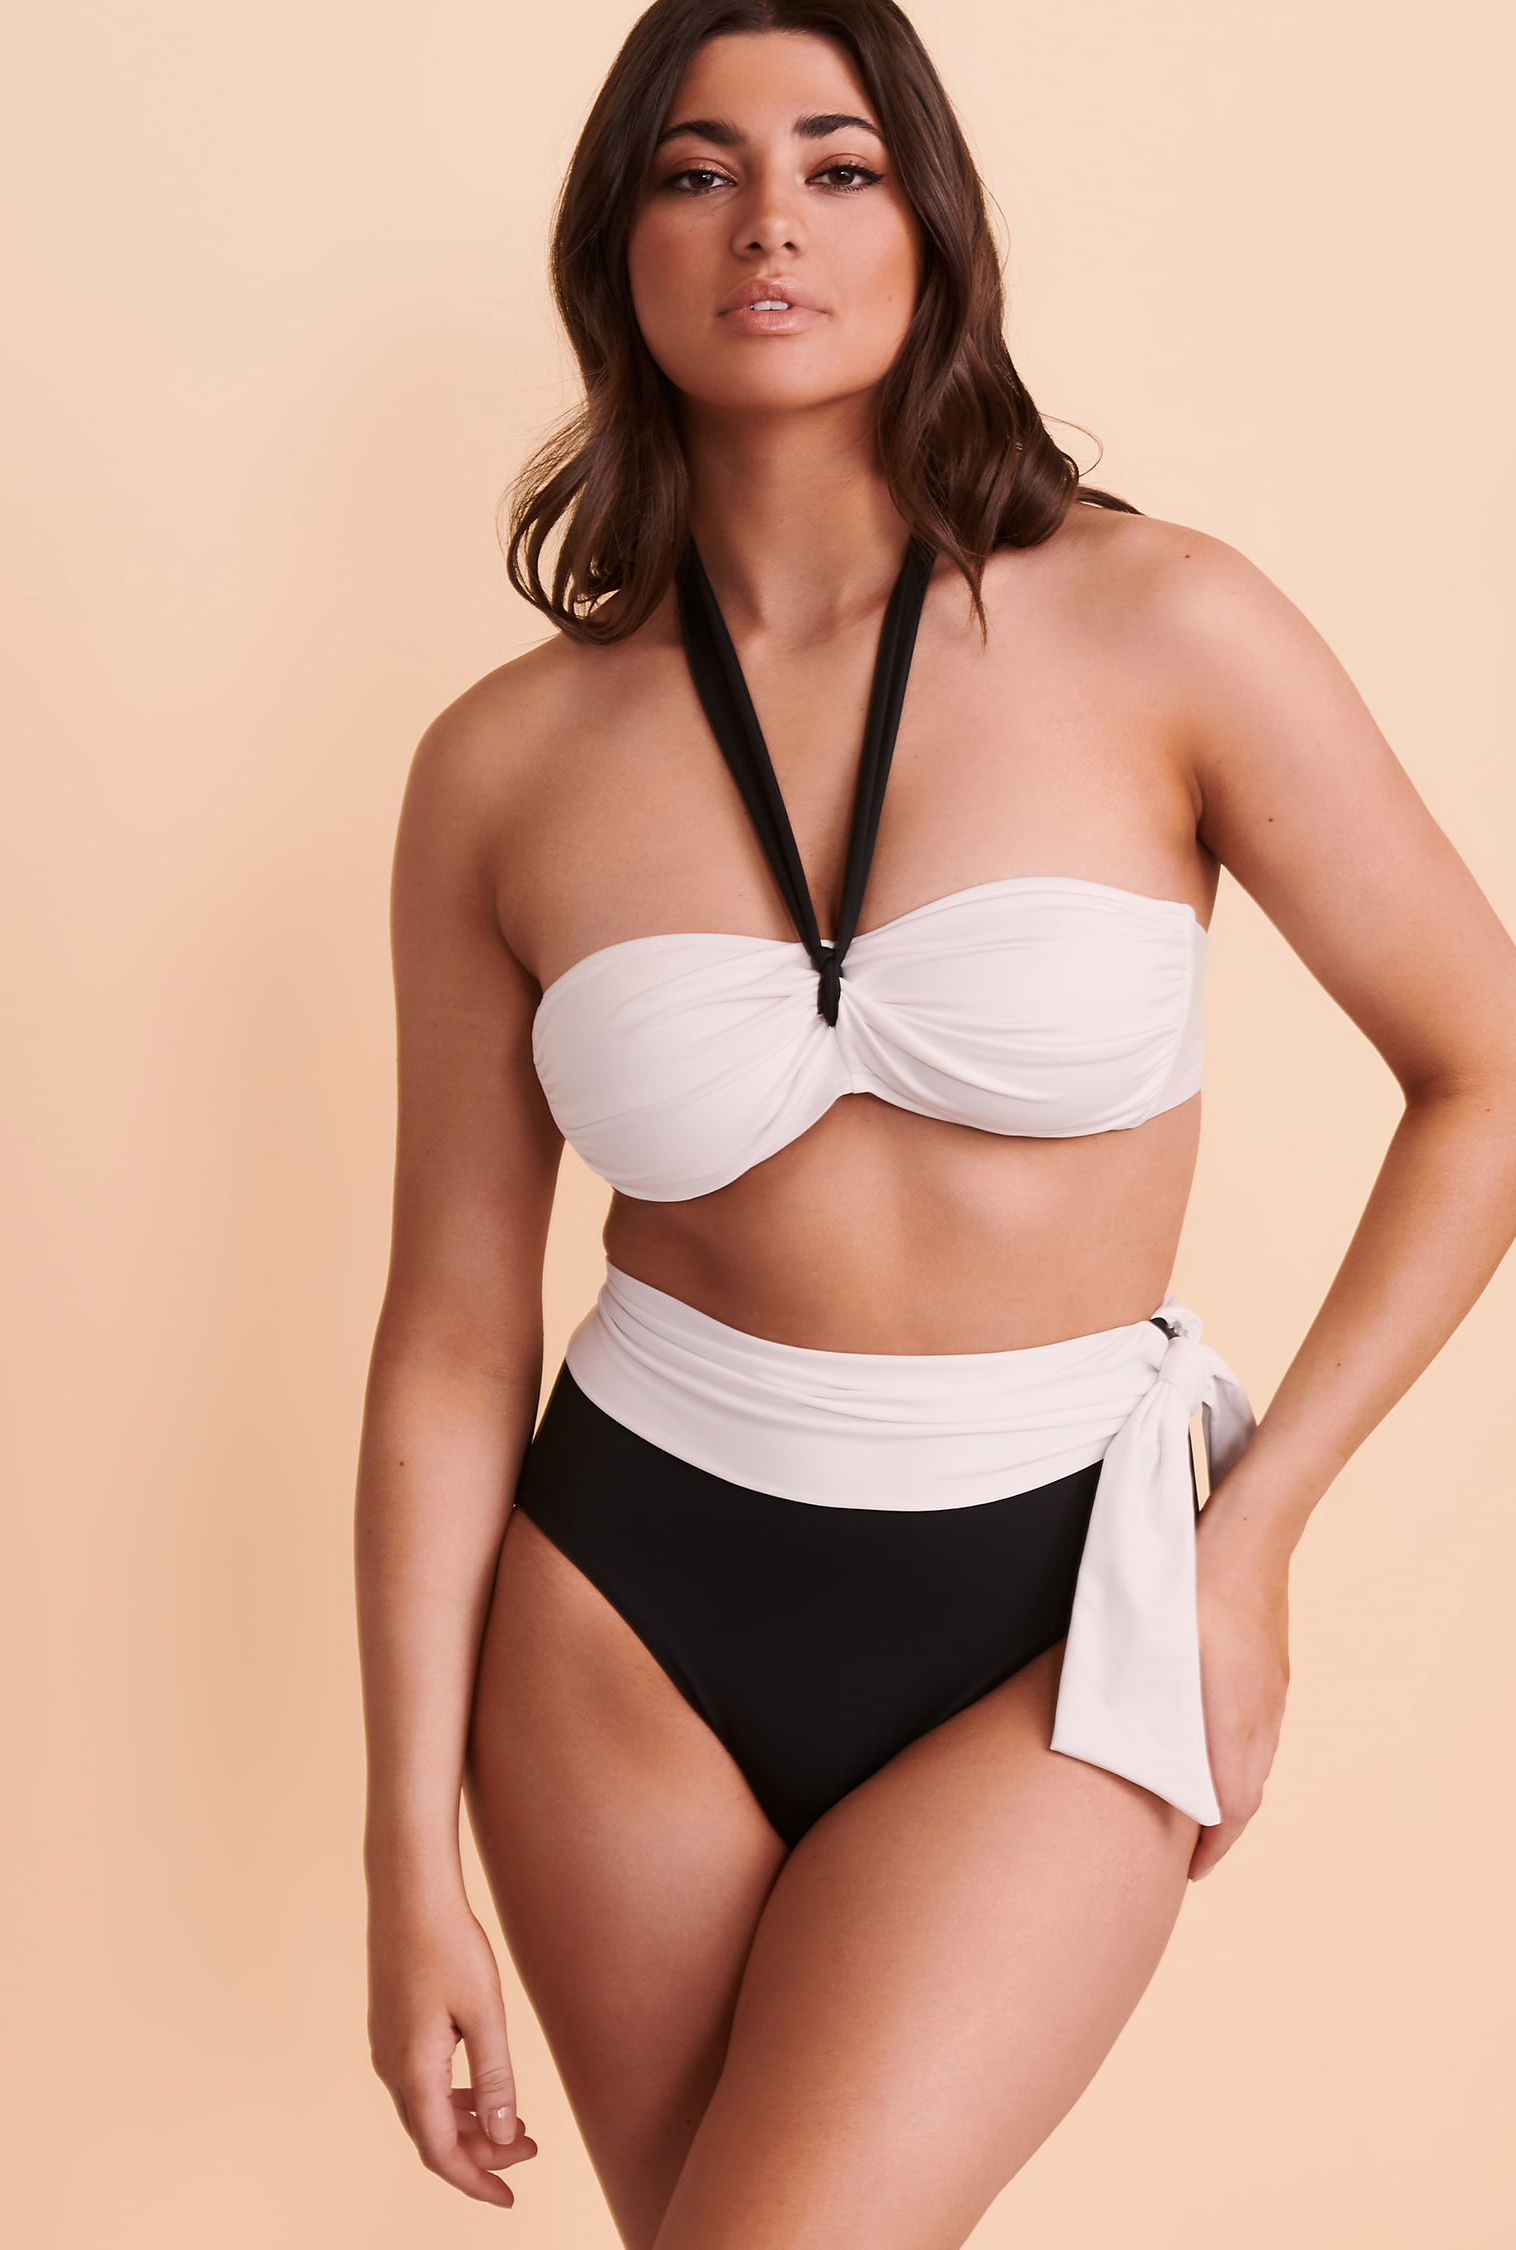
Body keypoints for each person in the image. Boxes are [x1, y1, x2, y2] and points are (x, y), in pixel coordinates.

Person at [353, 3, 1516, 2243]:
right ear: (616, 246)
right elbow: (450, 1331)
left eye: (838, 164)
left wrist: (1252, 1540)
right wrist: (407, 1853)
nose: (768, 224)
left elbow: (1490, 1068)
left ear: (933, 229)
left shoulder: (1165, 625)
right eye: (697, 172)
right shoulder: (502, 766)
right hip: (619, 1617)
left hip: (1060, 1605)